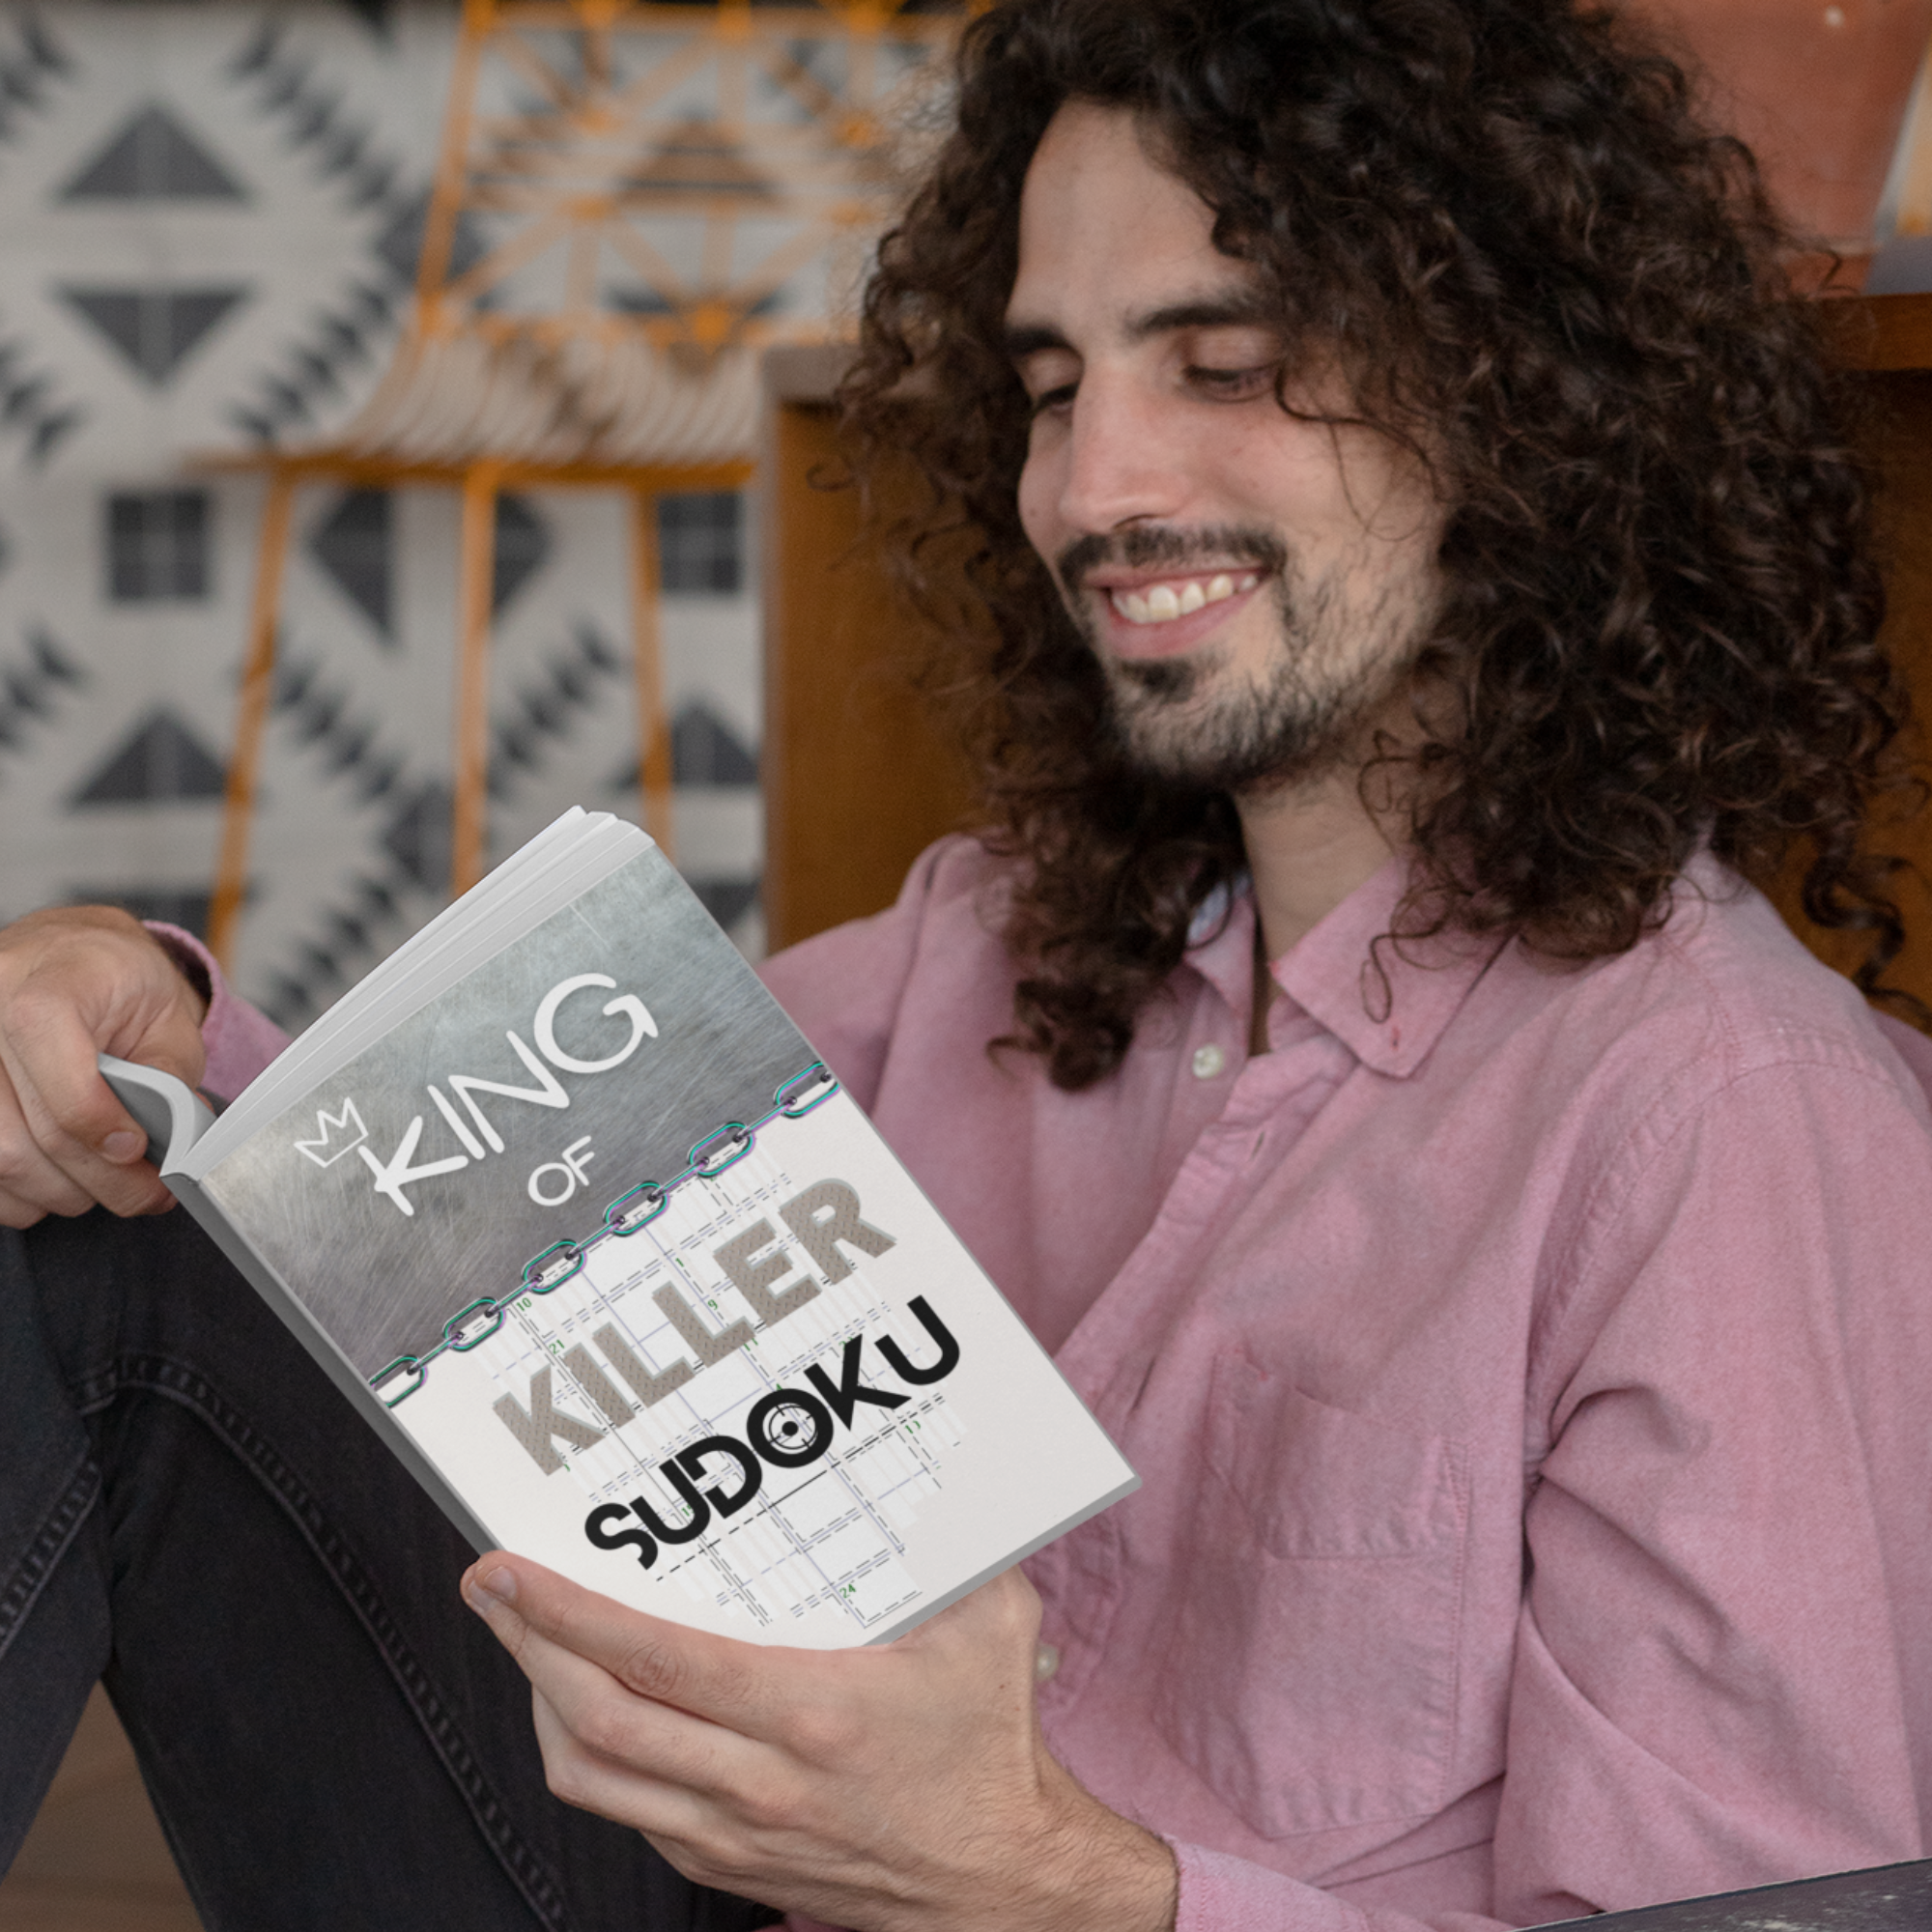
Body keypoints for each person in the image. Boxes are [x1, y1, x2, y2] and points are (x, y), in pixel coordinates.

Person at [4, 1, 1931, 1928]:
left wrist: (1030, 1875)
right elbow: (435, 1187)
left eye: (1226, 363)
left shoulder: (1728, 1121)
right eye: (1049, 387)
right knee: (93, 1235)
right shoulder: (989, 939)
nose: (1091, 491)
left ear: (1523, 402)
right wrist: (145, 1030)